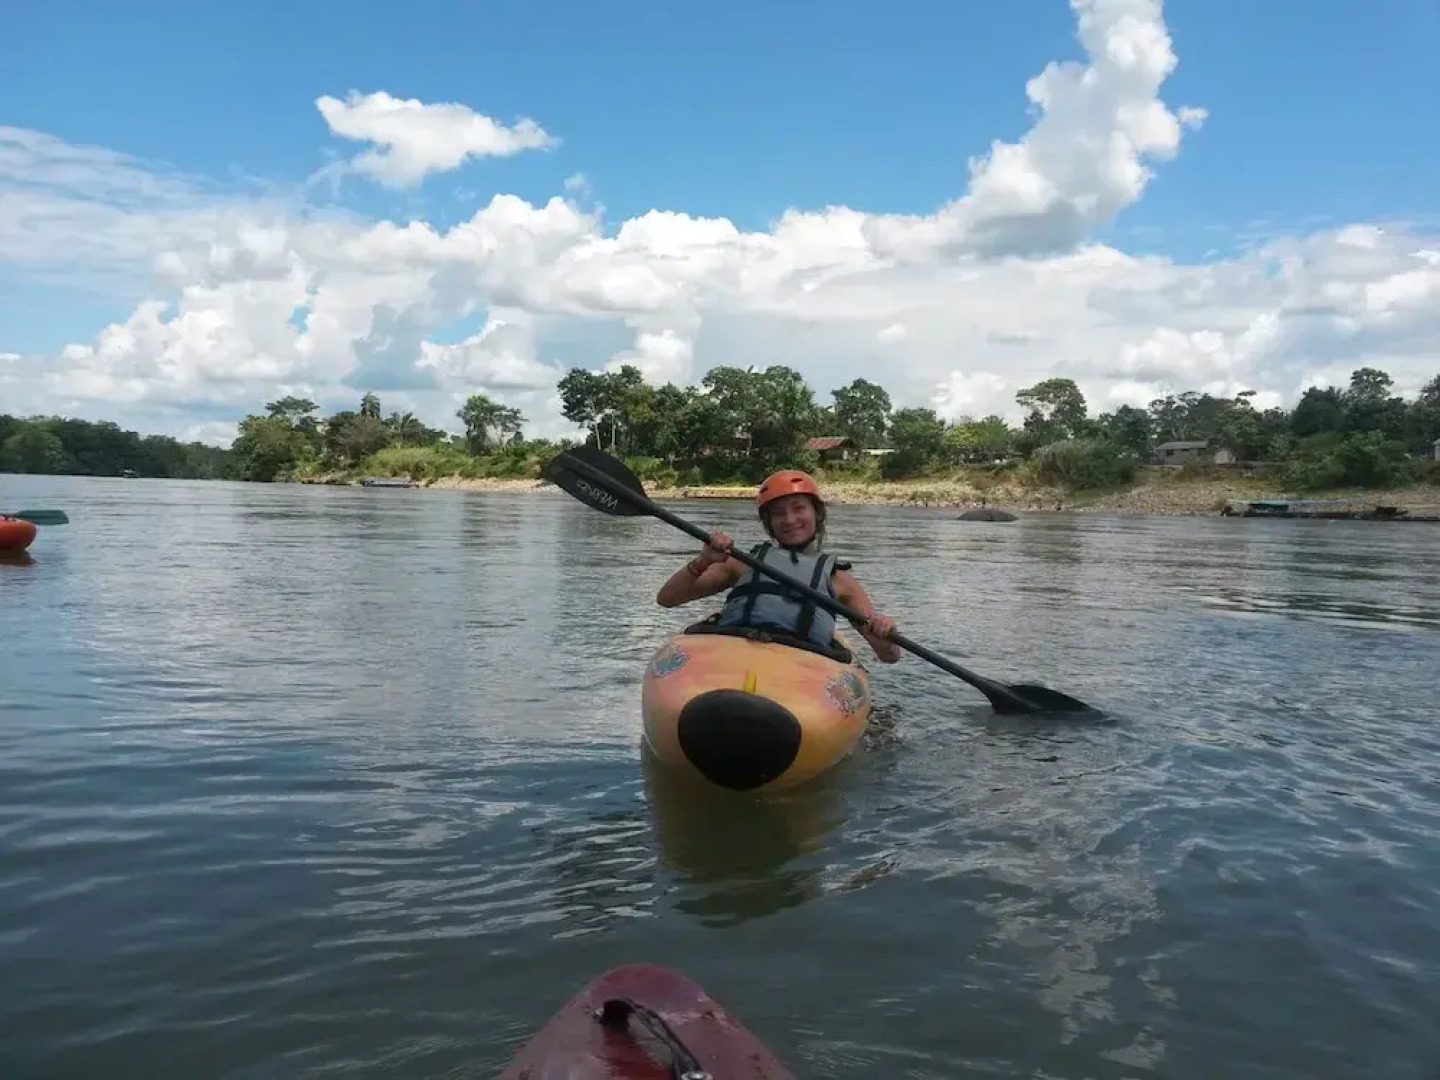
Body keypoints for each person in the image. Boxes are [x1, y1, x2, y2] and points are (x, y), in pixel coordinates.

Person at [655, 469, 902, 663]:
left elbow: (889, 656)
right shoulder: (741, 564)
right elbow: (667, 598)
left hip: (802, 669)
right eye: (778, 513)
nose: (790, 520)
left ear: (816, 513)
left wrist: (883, 631)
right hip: (732, 657)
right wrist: (703, 561)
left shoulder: (840, 581)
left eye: (798, 508)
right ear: (769, 523)